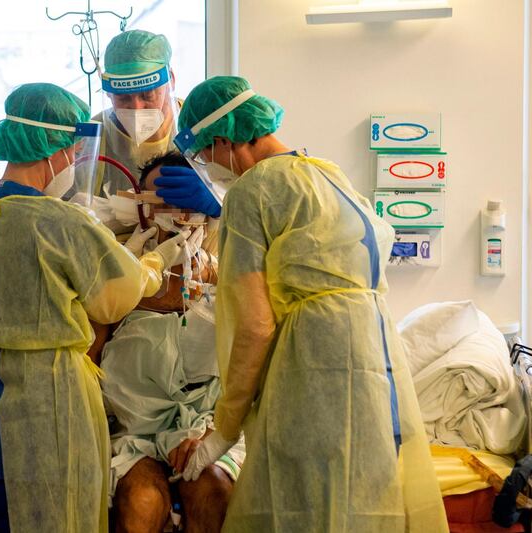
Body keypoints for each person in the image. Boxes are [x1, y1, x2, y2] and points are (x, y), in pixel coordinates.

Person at [167, 76, 448, 532]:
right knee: (362, 502)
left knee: (304, 507)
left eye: (203, 156)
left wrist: (224, 429)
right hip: (378, 364)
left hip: (314, 366)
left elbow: (254, 326)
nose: (207, 168)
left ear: (224, 141)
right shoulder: (328, 173)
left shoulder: (251, 191)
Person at [0, 82, 189, 533]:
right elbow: (117, 297)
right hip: (44, 407)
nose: (73, 163)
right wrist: (152, 260)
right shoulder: (60, 221)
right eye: (71, 153)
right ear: (54, 149)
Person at [101, 153, 244, 533]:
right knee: (142, 500)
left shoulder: (231, 273)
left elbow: (254, 362)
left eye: (186, 199)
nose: (176, 212)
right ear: (140, 207)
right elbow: (85, 359)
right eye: (162, 198)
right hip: (133, 431)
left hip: (209, 424)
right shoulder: (115, 276)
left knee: (212, 488)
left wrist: (216, 432)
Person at [95, 29, 180, 197]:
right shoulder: (93, 136)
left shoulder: (194, 122)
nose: (136, 107)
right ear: (109, 94)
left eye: (147, 95)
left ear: (170, 80)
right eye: (123, 98)